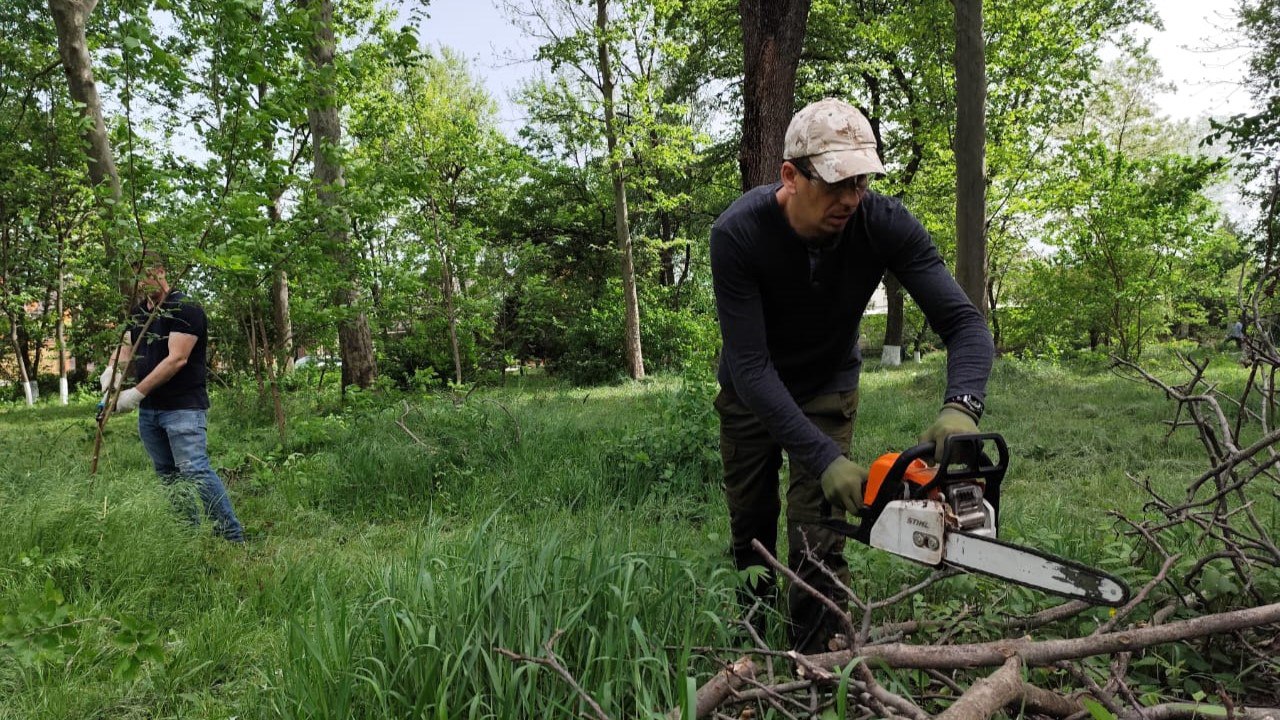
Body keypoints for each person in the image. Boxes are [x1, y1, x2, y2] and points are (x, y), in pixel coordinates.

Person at [709, 98, 993, 652]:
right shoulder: (738, 234)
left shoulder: (884, 223)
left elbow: (964, 324)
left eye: (860, 182)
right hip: (750, 391)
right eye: (836, 183)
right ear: (791, 175)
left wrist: (961, 404)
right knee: (752, 521)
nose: (850, 199)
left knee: (817, 534)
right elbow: (749, 365)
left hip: (827, 385)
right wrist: (822, 457)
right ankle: (755, 642)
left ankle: (814, 662)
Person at [101, 253, 244, 543]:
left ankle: (231, 536)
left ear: (161, 271)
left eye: (145, 275)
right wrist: (110, 377)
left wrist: (134, 394)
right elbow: (124, 351)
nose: (141, 283)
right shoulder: (140, 314)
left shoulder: (185, 308)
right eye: (136, 278)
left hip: (183, 408)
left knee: (195, 470)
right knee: (167, 474)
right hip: (151, 413)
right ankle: (187, 534)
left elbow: (176, 359)